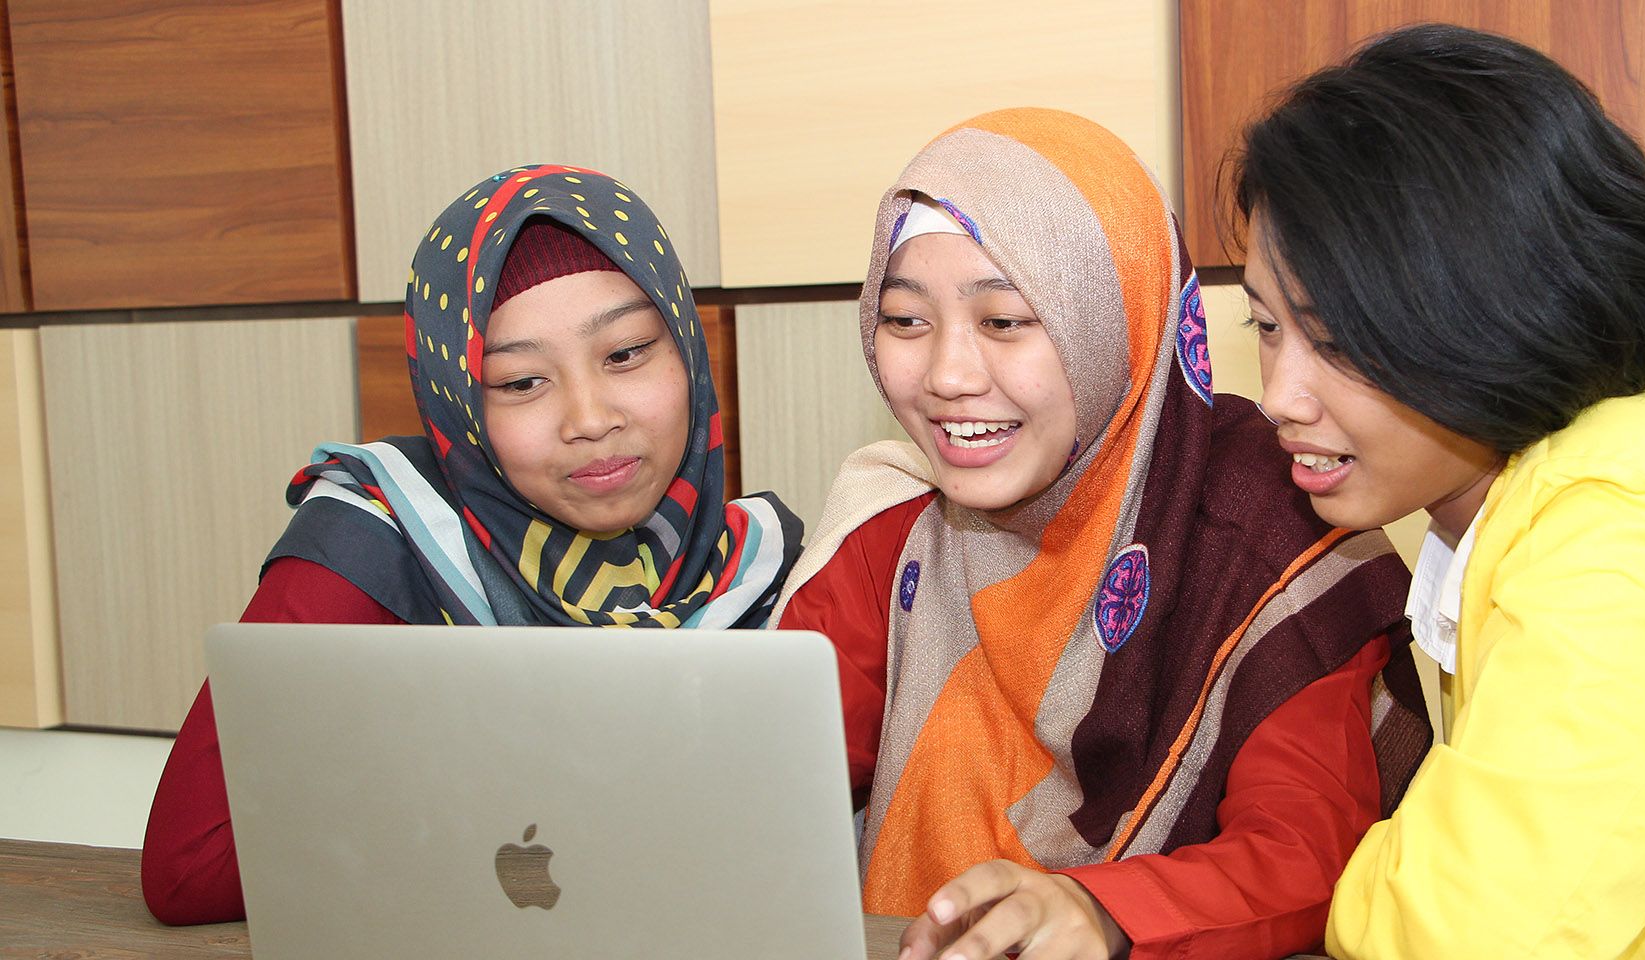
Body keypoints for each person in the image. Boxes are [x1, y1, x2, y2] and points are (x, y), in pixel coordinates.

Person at [1229, 24, 1645, 959]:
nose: (1279, 396)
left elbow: (1452, 938)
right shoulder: (1549, 488)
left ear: (1493, 312)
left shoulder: (1618, 532)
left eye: (1340, 340)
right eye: (1268, 327)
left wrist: (1362, 884)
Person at [775, 108, 1431, 960]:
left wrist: (1104, 913)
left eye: (1005, 320)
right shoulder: (897, 525)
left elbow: (1303, 857)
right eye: (905, 321)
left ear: (1116, 321)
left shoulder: (1269, 537)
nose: (946, 375)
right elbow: (764, 791)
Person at [141, 164, 802, 925]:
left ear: (687, 349)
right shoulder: (375, 539)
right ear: (457, 404)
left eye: (625, 354)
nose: (589, 418)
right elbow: (189, 872)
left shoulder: (754, 566)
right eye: (520, 382)